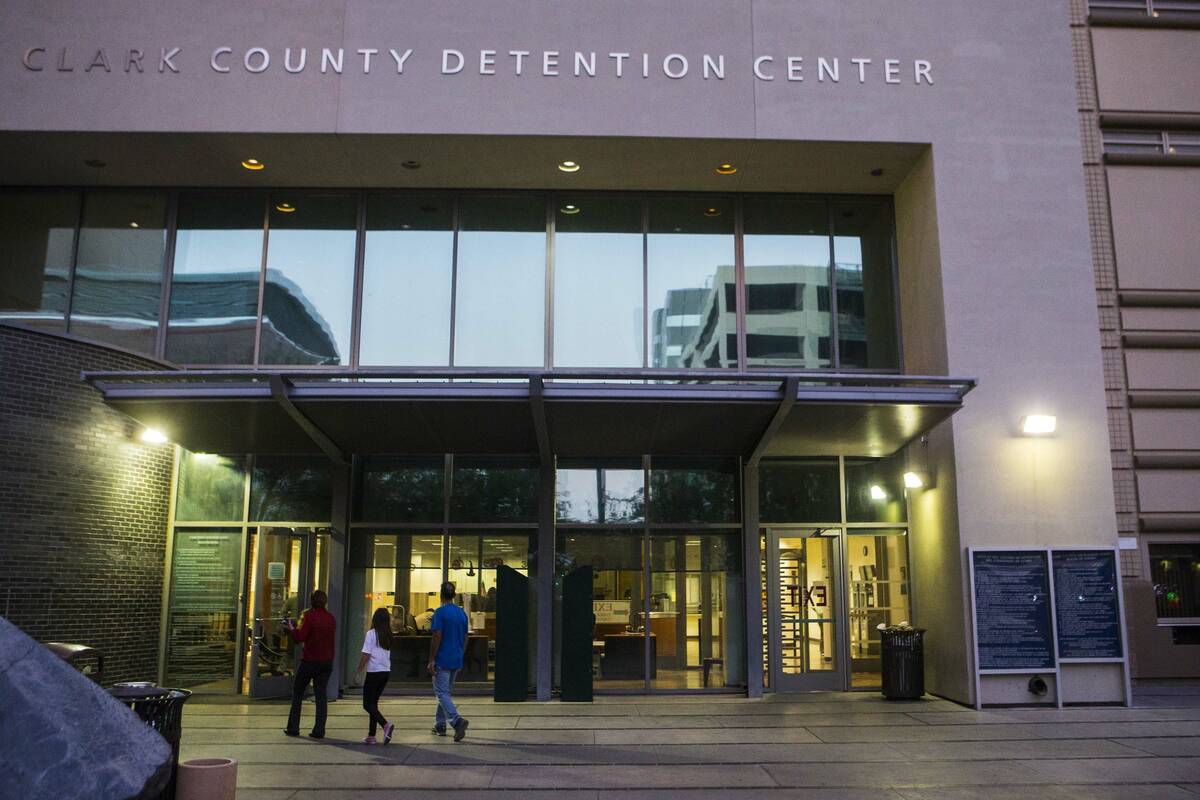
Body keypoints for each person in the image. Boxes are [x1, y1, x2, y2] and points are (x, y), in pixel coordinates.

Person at [283, 589, 336, 740]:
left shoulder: (310, 617)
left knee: (298, 692)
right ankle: (319, 730)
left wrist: (292, 627)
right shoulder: (331, 618)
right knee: (321, 696)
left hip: (310, 661)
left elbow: (300, 637)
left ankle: (293, 727)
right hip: (326, 662)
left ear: (312, 601)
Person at [427, 581, 469, 741]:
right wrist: (460, 653)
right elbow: (466, 637)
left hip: (443, 659)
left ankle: (457, 721)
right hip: (456, 659)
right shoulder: (462, 614)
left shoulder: (440, 613)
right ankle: (440, 724)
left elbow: (436, 636)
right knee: (445, 693)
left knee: (441, 692)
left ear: (441, 594)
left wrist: (431, 659)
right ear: (454, 595)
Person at [356, 607, 395, 745]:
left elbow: (366, 654)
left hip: (374, 673)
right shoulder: (389, 635)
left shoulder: (371, 634)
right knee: (373, 704)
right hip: (385, 672)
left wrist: (359, 670)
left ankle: (385, 725)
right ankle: (371, 735)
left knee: (367, 704)